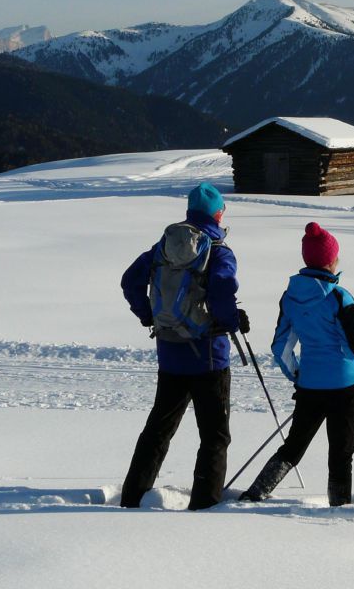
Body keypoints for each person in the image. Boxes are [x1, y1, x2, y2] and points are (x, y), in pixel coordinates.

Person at [118, 181, 249, 510]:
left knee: (159, 429)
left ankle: (132, 496)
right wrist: (231, 320)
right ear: (218, 214)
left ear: (190, 212)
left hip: (170, 351)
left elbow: (130, 280)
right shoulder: (218, 250)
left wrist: (148, 315)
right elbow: (221, 288)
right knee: (214, 435)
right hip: (209, 357)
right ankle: (205, 503)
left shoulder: (163, 247)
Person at [239, 222, 354, 507]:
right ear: (331, 260)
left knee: (293, 446)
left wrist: (298, 373)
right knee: (341, 452)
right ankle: (339, 507)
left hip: (310, 384)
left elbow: (281, 346)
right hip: (345, 385)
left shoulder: (290, 296)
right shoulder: (340, 296)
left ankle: (255, 493)